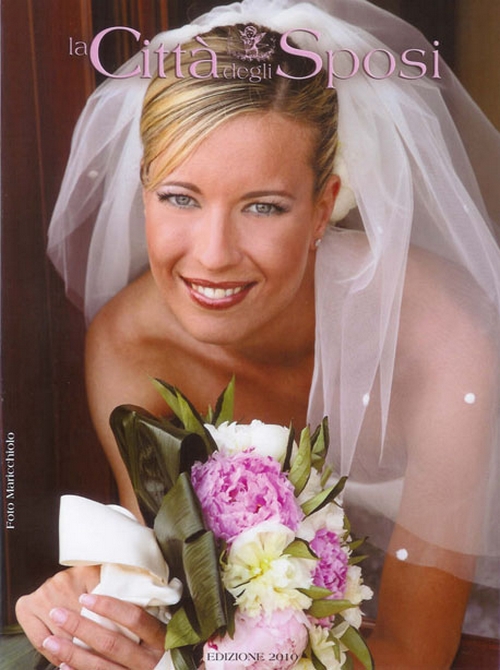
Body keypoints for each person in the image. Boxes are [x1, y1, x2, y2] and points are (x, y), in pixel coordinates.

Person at [16, 0, 500, 668]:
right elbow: (170, 591)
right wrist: (86, 603)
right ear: (143, 189)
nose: (213, 255)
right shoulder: (130, 348)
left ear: (322, 209)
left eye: (263, 206)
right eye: (180, 197)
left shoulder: (443, 341)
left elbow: (417, 652)